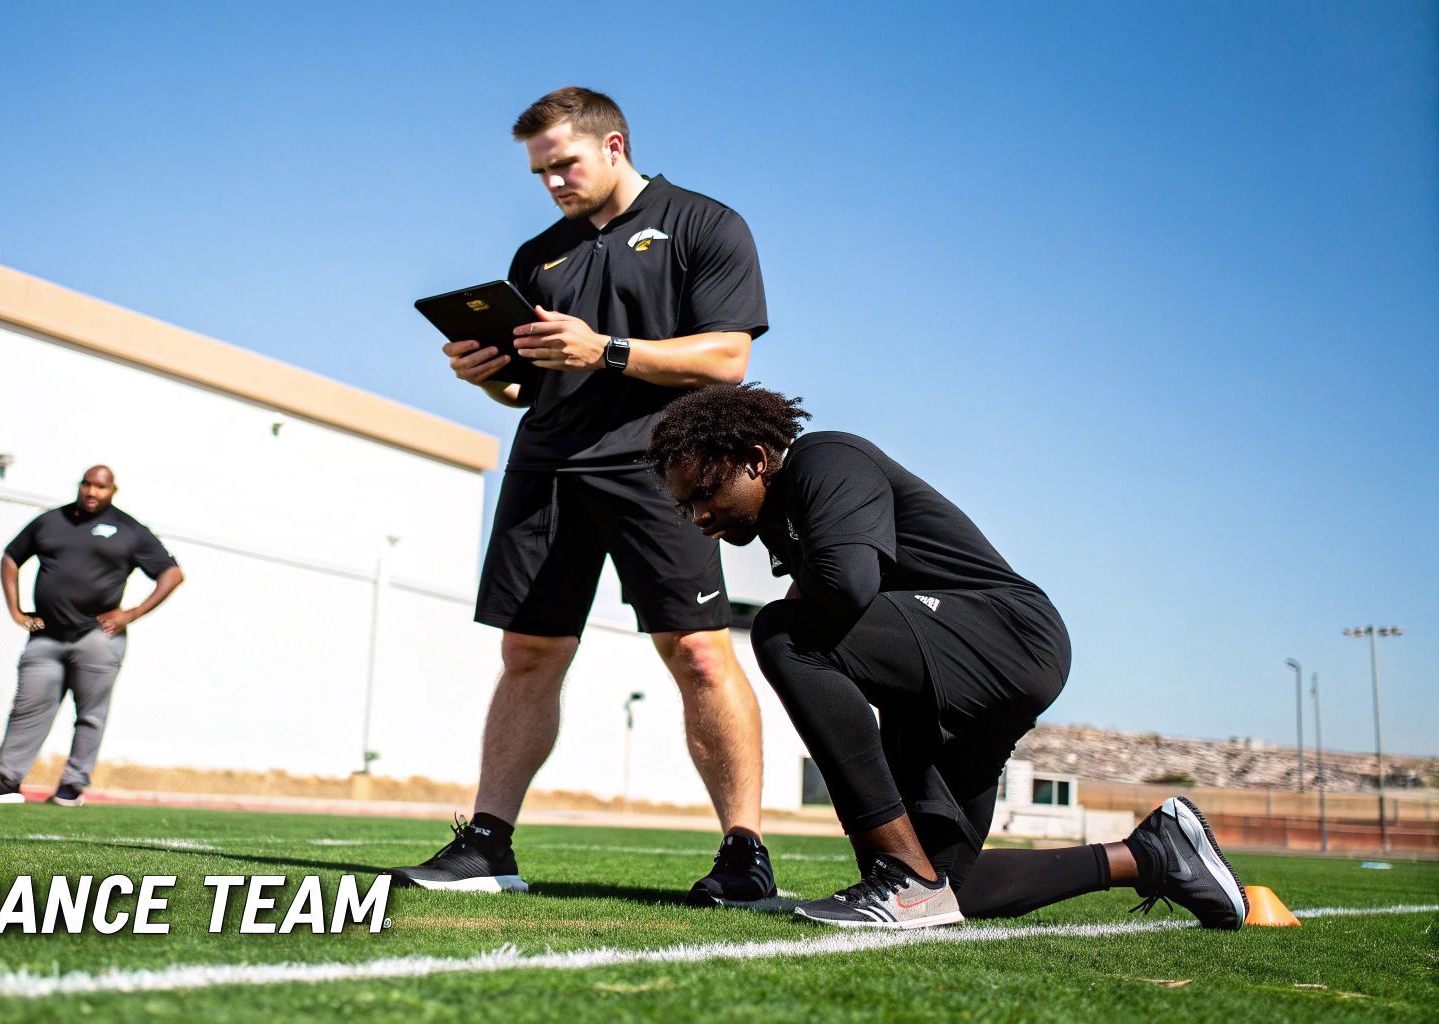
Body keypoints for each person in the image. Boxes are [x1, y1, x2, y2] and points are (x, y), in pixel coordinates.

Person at [646, 384, 1247, 929]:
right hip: (954, 681)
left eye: (706, 492)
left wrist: (812, 665)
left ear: (755, 459)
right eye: (685, 506)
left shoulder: (824, 460)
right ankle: (1152, 854)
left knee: (780, 633)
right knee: (953, 885)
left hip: (1008, 634)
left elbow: (849, 585)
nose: (699, 516)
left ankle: (902, 880)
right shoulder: (785, 521)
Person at [387, 87, 775, 905]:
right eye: (540, 171)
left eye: (563, 163)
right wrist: (488, 378)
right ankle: (488, 844)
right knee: (527, 653)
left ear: (614, 144)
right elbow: (530, 390)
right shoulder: (539, 257)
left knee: (701, 651)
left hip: (662, 468)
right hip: (548, 465)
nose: (553, 181)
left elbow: (727, 359)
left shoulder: (705, 225)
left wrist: (604, 350)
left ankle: (744, 856)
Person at [0, 465, 184, 807]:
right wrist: (16, 611)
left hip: (98, 637)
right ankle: (5, 780)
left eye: (101, 487)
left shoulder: (129, 530)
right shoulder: (51, 521)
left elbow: (172, 573)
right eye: (88, 485)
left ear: (113, 491)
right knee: (27, 708)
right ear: (80, 485)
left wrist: (132, 613)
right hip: (46, 636)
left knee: (90, 714)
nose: (93, 492)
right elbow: (10, 557)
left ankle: (72, 787)